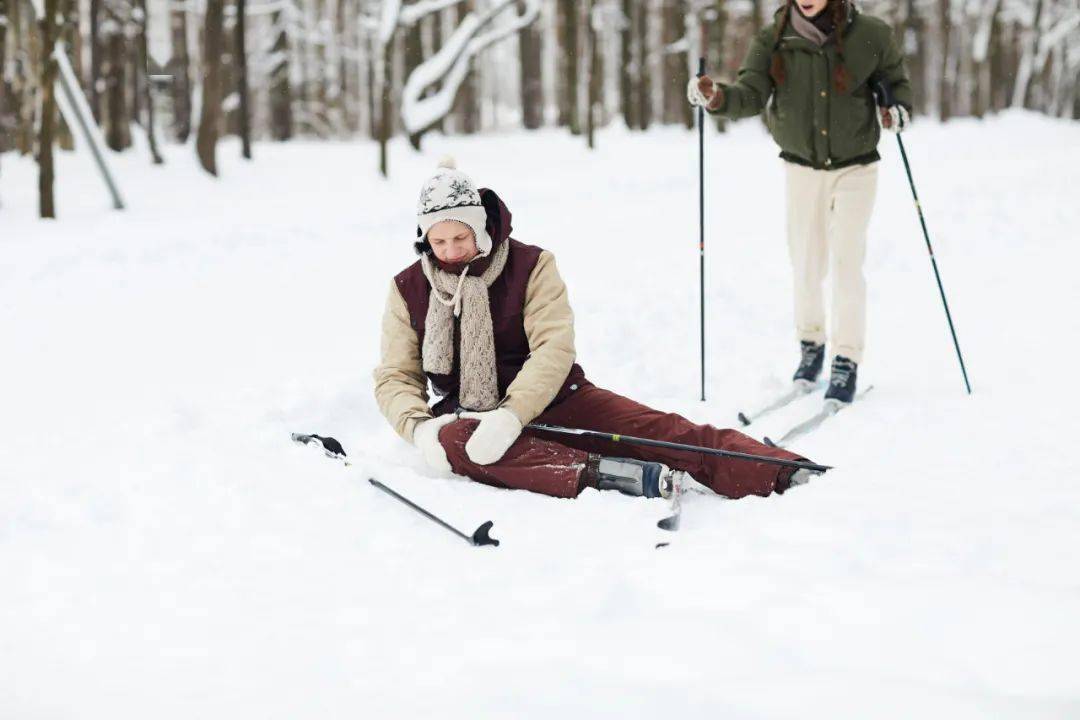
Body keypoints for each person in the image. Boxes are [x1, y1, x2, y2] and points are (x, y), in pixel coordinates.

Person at [373, 158, 814, 501]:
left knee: (656, 429)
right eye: (438, 241)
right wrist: (419, 429)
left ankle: (778, 469)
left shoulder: (531, 265)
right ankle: (601, 476)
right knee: (454, 442)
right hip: (470, 414)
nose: (450, 251)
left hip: (556, 398)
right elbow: (396, 375)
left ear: (481, 228)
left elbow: (553, 349)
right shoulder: (408, 288)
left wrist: (512, 415)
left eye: (460, 238)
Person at [687, 0, 913, 402]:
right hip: (801, 169)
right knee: (806, 262)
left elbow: (897, 86)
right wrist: (716, 97)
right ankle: (811, 346)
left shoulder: (872, 34)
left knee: (846, 262)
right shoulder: (773, 38)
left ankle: (846, 357)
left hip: (855, 168)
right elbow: (750, 94)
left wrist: (896, 110)